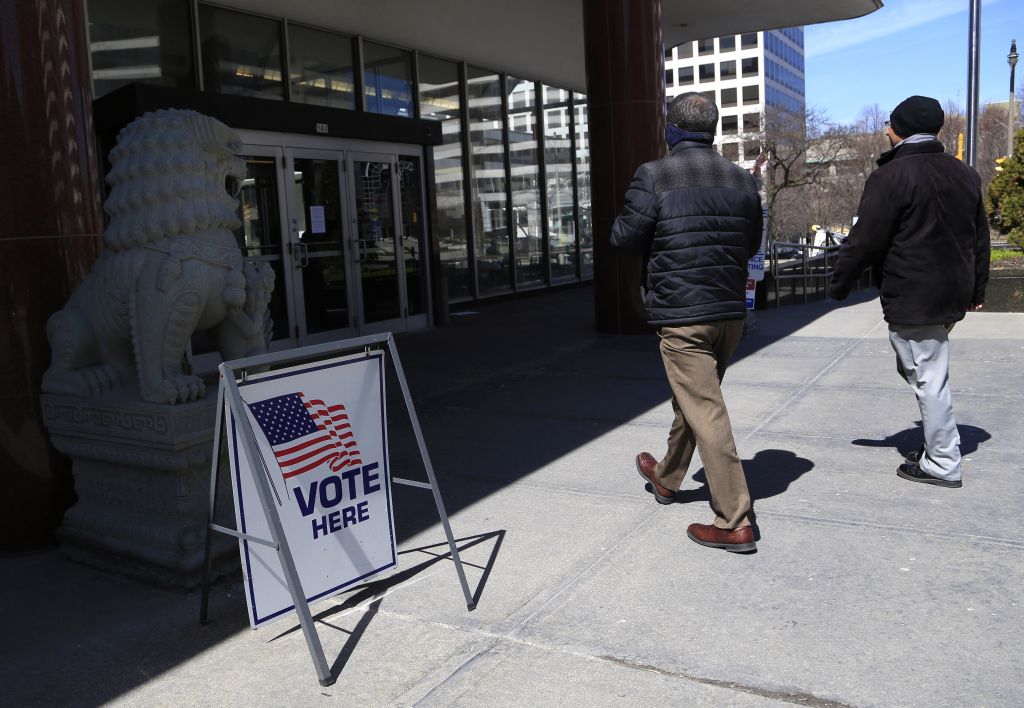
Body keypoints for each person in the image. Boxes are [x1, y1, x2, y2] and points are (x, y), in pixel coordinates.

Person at [610, 92, 763, 553]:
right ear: (711, 131)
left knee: (706, 409)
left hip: (682, 314)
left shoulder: (654, 175)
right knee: (695, 399)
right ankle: (667, 477)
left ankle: (734, 519)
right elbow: (752, 242)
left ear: (670, 131)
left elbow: (624, 238)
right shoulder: (742, 180)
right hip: (729, 313)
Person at [829, 95, 990, 488]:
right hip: (950, 291)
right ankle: (941, 444)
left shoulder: (891, 176)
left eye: (888, 124)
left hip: (916, 293)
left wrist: (838, 283)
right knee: (919, 367)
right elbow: (980, 237)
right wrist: (977, 286)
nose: (885, 130)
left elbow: (865, 238)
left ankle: (943, 461)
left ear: (898, 129)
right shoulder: (964, 174)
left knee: (927, 376)